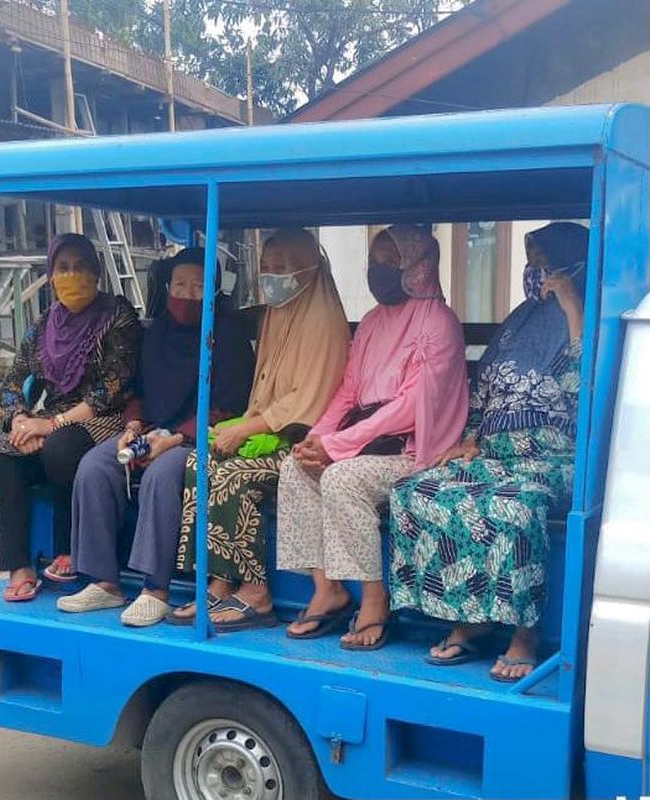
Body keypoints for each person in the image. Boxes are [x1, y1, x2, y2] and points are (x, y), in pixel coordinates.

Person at [389, 222, 588, 682]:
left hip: (552, 460)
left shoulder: (587, 318)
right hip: (494, 456)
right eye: (531, 264)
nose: (535, 274)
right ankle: (472, 614)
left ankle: (525, 632)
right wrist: (470, 439)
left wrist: (573, 309)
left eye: (544, 265)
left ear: (572, 268)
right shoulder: (518, 322)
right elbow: (484, 388)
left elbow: (583, 396)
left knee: (513, 508)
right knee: (416, 491)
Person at [275, 225, 468, 650]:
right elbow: (349, 391)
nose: (377, 270)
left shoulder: (439, 323)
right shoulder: (373, 322)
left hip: (413, 449)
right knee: (295, 468)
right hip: (362, 441)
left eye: (389, 261)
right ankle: (329, 589)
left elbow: (408, 406)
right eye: (374, 261)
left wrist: (338, 448)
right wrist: (317, 438)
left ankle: (375, 600)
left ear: (419, 266)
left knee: (342, 478)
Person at [56, 248, 256, 625]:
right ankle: (104, 582)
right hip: (152, 429)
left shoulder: (228, 337)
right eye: (180, 285)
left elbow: (229, 406)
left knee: (164, 474)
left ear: (214, 291)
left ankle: (156, 589)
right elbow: (139, 393)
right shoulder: (158, 331)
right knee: (96, 465)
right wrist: (132, 428)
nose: (187, 295)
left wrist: (175, 439)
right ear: (167, 286)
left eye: (198, 287)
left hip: (204, 437)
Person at [169, 229, 350, 631]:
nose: (271, 277)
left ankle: (256, 591)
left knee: (236, 475)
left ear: (309, 269)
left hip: (303, 439)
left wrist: (246, 429)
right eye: (266, 268)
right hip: (267, 432)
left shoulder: (323, 320)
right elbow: (264, 390)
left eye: (281, 268)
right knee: (202, 460)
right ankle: (217, 582)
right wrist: (243, 430)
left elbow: (306, 401)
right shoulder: (277, 313)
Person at [0, 234, 140, 602]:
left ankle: (70, 548)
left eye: (81, 267)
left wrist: (53, 424)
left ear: (96, 271)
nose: (72, 275)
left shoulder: (117, 314)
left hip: (106, 417)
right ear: (51, 274)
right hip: (51, 417)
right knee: (4, 450)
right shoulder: (43, 325)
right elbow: (13, 381)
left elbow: (112, 387)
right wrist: (21, 421)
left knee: (61, 447)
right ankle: (19, 567)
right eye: (63, 268)